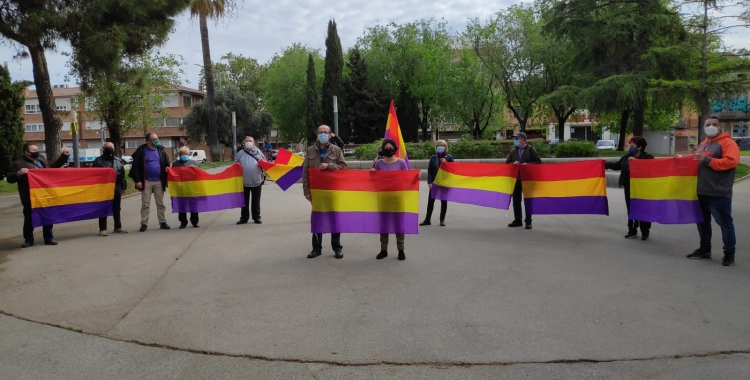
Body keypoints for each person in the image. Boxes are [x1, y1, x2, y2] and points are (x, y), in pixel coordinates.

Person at [687, 116, 740, 266]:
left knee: (725, 224)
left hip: (718, 193)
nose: (711, 127)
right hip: (701, 192)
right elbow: (695, 160)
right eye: (708, 125)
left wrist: (708, 160)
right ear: (704, 128)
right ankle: (705, 249)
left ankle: (729, 253)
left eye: (714, 124)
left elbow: (731, 161)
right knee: (702, 223)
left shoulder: (728, 143)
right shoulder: (704, 144)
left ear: (720, 126)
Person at [6, 143, 70, 247]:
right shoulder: (18, 163)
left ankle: (49, 237)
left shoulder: (41, 160)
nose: (37, 151)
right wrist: (18, 173)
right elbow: (9, 179)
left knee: (47, 216)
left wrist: (64, 157)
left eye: (37, 149)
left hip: (45, 194)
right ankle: (28, 240)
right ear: (27, 152)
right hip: (29, 196)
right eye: (34, 150)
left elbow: (52, 167)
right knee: (29, 218)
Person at [303, 125, 347, 259]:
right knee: (317, 219)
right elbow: (305, 172)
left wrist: (329, 166)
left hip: (332, 191)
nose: (323, 134)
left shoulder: (336, 150)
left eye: (325, 132)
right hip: (317, 192)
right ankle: (316, 248)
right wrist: (307, 191)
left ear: (329, 135)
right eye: (320, 132)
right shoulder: (310, 150)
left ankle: (337, 247)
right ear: (317, 134)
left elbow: (344, 168)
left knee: (334, 219)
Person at [370, 139, 418, 261]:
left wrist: (416, 177)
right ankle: (383, 249)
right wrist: (372, 173)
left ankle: (401, 249)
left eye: (390, 147)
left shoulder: (401, 163)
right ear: (383, 149)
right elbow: (373, 181)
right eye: (386, 148)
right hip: (383, 198)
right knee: (384, 224)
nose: (388, 150)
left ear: (395, 149)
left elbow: (407, 179)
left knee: (399, 224)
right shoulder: (379, 163)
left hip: (398, 198)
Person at [604, 136, 654, 240]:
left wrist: (636, 162)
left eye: (632, 146)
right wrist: (607, 164)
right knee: (631, 208)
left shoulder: (648, 157)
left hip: (643, 188)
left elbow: (651, 169)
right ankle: (632, 230)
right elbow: (617, 165)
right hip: (629, 186)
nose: (630, 148)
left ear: (639, 147)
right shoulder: (626, 157)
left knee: (643, 209)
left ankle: (645, 231)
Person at [129, 132, 170, 232]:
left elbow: (167, 163)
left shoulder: (161, 150)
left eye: (157, 138)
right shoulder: (141, 151)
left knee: (160, 203)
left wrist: (167, 168)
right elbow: (135, 167)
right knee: (145, 204)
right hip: (146, 181)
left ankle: (162, 222)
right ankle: (144, 223)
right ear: (148, 141)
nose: (157, 140)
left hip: (159, 181)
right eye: (154, 139)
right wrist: (138, 180)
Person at [506, 132, 542, 229]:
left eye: (517, 138)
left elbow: (538, 162)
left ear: (523, 139)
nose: (515, 140)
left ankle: (528, 221)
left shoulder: (531, 150)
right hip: (516, 179)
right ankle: (518, 220)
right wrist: (513, 163)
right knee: (516, 201)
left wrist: (528, 165)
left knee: (528, 200)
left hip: (528, 180)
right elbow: (507, 163)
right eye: (515, 139)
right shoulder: (513, 151)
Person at [93, 142, 127, 236]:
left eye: (111, 147)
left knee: (117, 207)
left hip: (117, 186)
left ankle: (118, 227)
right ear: (103, 149)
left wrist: (123, 187)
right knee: (103, 207)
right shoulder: (98, 161)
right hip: (103, 187)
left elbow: (122, 175)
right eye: (107, 147)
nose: (109, 149)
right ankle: (103, 229)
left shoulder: (118, 160)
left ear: (114, 148)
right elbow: (93, 175)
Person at [421, 140, 453, 227]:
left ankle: (442, 220)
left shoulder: (449, 157)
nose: (440, 146)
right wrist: (429, 182)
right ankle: (427, 220)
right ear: (436, 147)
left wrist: (445, 164)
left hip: (444, 183)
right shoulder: (433, 158)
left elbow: (452, 171)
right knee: (431, 201)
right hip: (434, 182)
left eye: (442, 145)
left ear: (446, 147)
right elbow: (430, 171)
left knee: (444, 201)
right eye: (439, 145)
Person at [235, 136, 266, 225]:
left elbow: (265, 163)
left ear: (254, 143)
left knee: (256, 201)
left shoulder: (258, 152)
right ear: (244, 143)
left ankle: (256, 217)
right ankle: (244, 218)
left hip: (257, 181)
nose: (248, 142)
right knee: (244, 201)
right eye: (247, 141)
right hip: (243, 182)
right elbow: (235, 166)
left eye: (250, 141)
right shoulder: (240, 153)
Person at [172, 146, 200, 229]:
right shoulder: (175, 164)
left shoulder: (193, 162)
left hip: (191, 187)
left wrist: (194, 169)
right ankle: (183, 222)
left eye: (187, 154)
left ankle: (194, 222)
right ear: (180, 154)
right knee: (181, 206)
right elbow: (173, 175)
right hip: (180, 188)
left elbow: (198, 174)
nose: (185, 155)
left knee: (193, 205)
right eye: (183, 154)